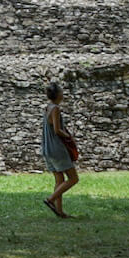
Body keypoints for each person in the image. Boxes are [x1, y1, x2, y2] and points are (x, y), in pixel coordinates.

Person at [41, 81, 78, 218]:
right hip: (57, 148)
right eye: (62, 92)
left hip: (47, 148)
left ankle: (60, 211)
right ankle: (50, 200)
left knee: (59, 180)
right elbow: (57, 130)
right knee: (73, 179)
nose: (63, 94)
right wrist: (69, 136)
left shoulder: (47, 107)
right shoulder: (55, 108)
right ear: (57, 95)